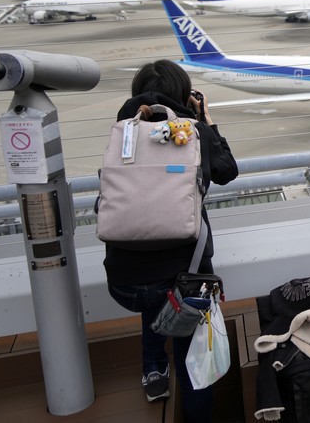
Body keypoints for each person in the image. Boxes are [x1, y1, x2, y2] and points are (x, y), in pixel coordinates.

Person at [103, 60, 238, 420]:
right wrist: (206, 119)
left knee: (153, 303)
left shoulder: (123, 133)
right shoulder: (194, 132)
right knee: (193, 362)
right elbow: (227, 171)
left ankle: (154, 371)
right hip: (185, 277)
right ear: (185, 94)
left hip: (124, 280)